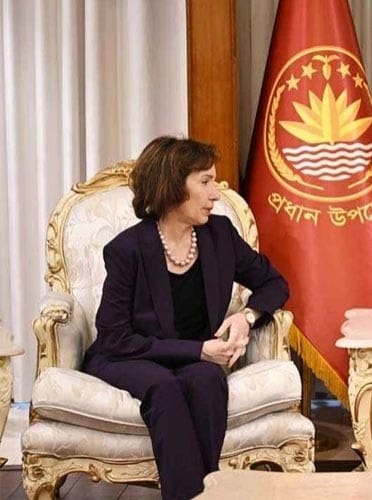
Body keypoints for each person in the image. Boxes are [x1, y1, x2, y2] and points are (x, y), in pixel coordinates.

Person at [82, 136, 289, 500]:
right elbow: (114, 338)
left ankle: (204, 495)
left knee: (207, 380)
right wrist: (198, 351)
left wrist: (246, 316)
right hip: (129, 355)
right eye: (205, 181)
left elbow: (274, 283)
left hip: (195, 358)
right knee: (164, 387)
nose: (216, 194)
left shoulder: (220, 236)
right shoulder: (127, 249)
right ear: (173, 185)